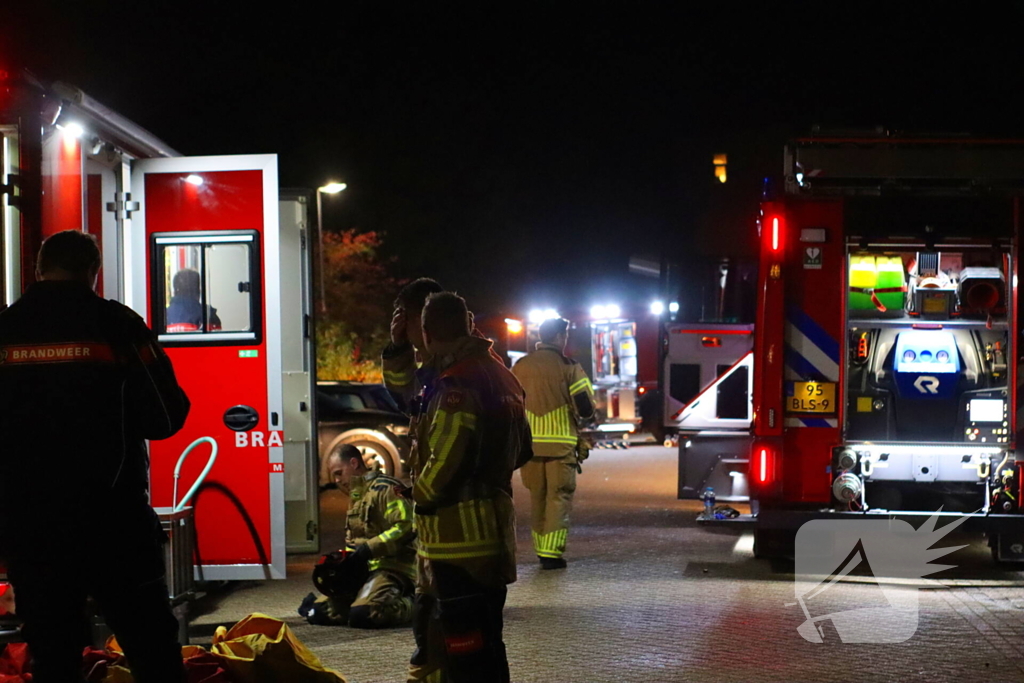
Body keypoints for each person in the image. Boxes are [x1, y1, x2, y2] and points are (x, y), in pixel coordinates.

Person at [0, 230, 191, 683]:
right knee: (150, 646)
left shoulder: (5, 329)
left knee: (53, 651)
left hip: (31, 528)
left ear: (37, 270)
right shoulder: (117, 325)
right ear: (93, 272)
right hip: (113, 521)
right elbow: (166, 416)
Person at [407, 292, 532, 683]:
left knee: (464, 650)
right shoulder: (500, 373)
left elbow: (446, 459)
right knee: (489, 642)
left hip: (458, 540)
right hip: (493, 531)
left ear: (427, 333)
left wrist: (418, 494)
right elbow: (523, 449)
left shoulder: (457, 383)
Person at [299, 445, 416, 628]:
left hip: (393, 567)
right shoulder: (358, 494)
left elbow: (407, 525)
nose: (337, 480)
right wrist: (342, 563)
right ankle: (360, 599)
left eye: (339, 473)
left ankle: (417, 603)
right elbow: (354, 540)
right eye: (334, 476)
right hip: (363, 570)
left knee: (367, 614)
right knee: (321, 611)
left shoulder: (387, 489)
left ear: (354, 463)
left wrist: (368, 550)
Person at [512, 317, 595, 569]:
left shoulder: (520, 366)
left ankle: (541, 550)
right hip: (560, 446)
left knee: (537, 497)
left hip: (529, 446)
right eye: (565, 335)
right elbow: (586, 408)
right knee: (558, 497)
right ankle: (552, 553)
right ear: (559, 337)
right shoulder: (569, 366)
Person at [381, 277, 445, 408]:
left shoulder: (451, 372)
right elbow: (410, 401)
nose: (402, 327)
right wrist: (399, 348)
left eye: (405, 319)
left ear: (422, 320)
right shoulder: (439, 364)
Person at [164, 268, 222, 333]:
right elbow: (215, 340)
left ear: (174, 292)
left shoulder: (164, 316)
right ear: (198, 292)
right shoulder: (208, 316)